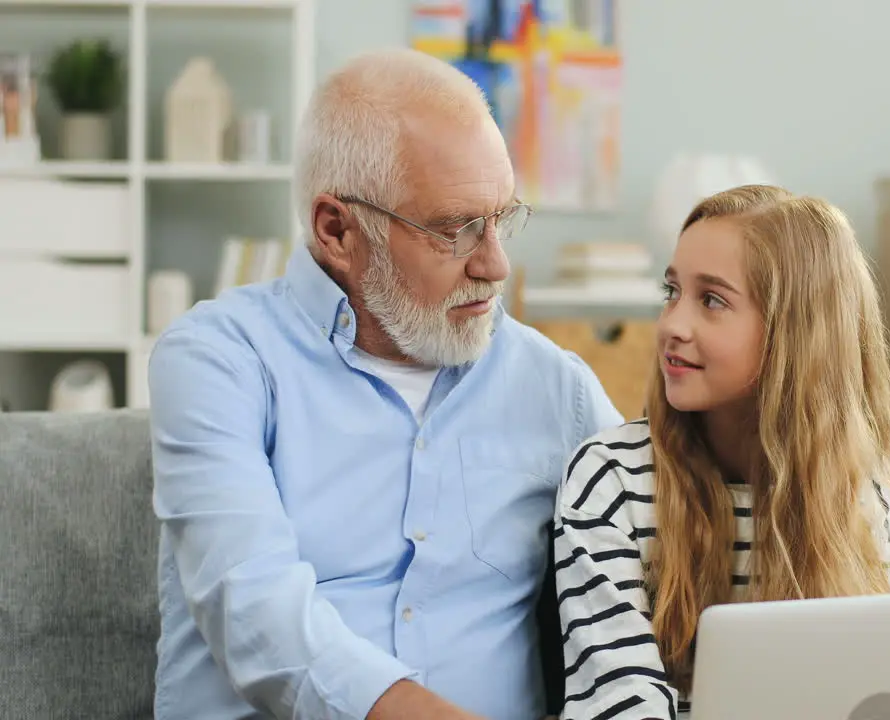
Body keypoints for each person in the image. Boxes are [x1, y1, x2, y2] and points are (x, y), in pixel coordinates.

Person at [147, 49, 621, 720]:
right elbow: (255, 610)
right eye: (457, 229)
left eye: (503, 218)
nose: (496, 264)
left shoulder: (555, 387)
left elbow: (670, 551)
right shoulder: (218, 361)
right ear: (337, 230)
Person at [553, 184, 890, 719]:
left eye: (712, 300)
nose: (671, 324)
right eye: (671, 292)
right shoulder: (611, 483)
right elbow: (618, 701)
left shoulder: (862, 495)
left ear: (794, 332)